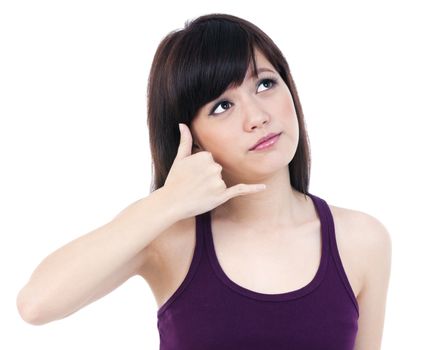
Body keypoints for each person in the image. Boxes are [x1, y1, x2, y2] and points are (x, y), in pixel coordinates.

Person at [16, 13, 392, 350]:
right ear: (192, 137)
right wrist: (168, 201)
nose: (257, 117)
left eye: (264, 84)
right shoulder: (170, 238)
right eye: (222, 106)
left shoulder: (361, 240)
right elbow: (37, 305)